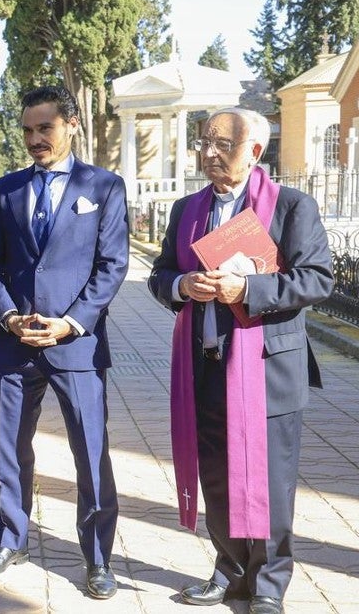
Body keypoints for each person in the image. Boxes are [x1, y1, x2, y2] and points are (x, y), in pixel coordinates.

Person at [147, 108, 332, 614]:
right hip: (204, 364)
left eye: (222, 145)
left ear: (253, 152)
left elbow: (317, 278)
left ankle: (268, 585)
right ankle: (229, 572)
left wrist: (247, 288)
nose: (208, 153)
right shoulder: (187, 209)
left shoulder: (291, 207)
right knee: (218, 477)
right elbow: (159, 274)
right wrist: (181, 285)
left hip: (268, 370)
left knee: (270, 484)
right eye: (204, 142)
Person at [0, 85, 128, 599]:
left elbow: (112, 267)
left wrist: (71, 323)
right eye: (27, 129)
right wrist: (10, 315)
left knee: (90, 450)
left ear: (71, 125)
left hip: (76, 346)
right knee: (11, 449)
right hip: (17, 344)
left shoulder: (104, 187)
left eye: (45, 127)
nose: (35, 138)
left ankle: (99, 558)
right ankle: (8, 539)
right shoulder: (7, 188)